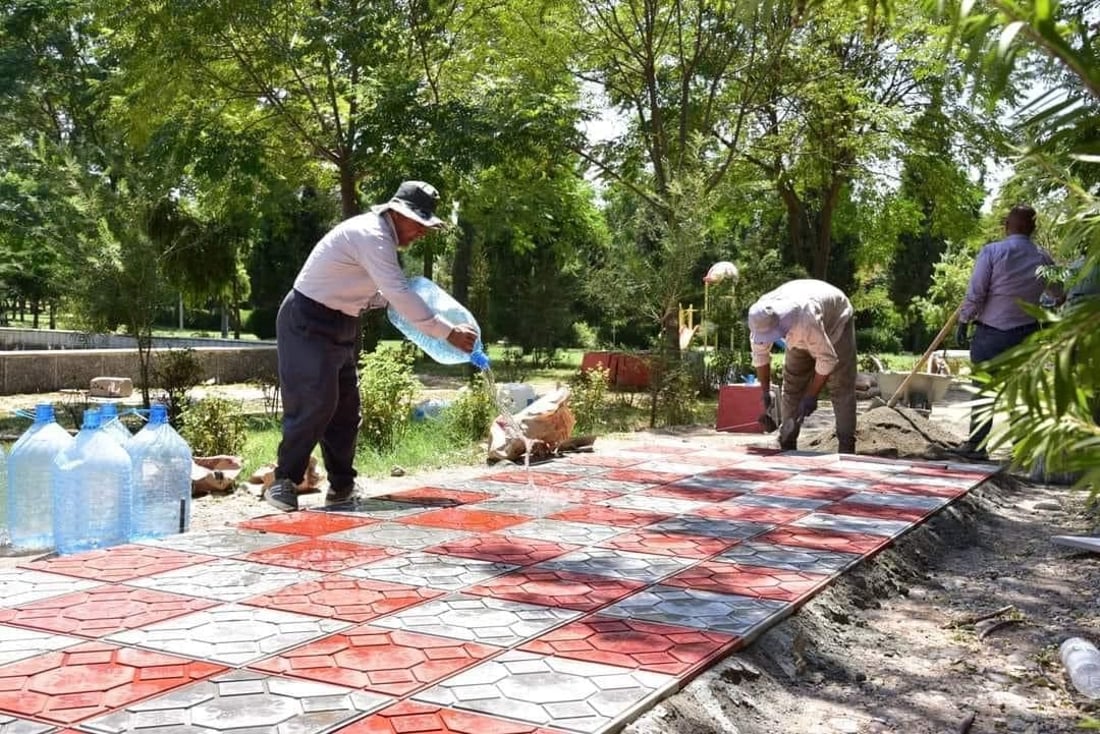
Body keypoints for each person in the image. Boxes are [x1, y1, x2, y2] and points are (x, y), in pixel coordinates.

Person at [264, 181, 479, 512]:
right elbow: (398, 293)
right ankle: (283, 481)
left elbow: (381, 294)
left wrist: (401, 303)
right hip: (307, 320)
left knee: (346, 411)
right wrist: (446, 332)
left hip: (341, 323)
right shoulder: (372, 234)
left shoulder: (381, 242)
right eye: (418, 223)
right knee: (315, 402)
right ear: (397, 213)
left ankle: (342, 486)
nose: (421, 232)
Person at [955, 204, 1060, 459]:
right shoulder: (1043, 258)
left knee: (984, 390)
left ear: (1006, 226)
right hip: (1026, 334)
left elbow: (977, 292)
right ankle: (1021, 449)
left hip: (990, 333)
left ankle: (977, 446)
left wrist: (964, 320)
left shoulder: (992, 251)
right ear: (1033, 228)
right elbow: (1059, 293)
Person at [748, 279, 857, 454]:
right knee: (792, 385)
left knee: (840, 385)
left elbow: (827, 360)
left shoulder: (806, 319)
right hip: (801, 327)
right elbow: (760, 355)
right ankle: (787, 441)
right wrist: (765, 391)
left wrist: (811, 395)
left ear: (778, 325)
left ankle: (846, 447)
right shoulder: (760, 317)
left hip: (836, 322)